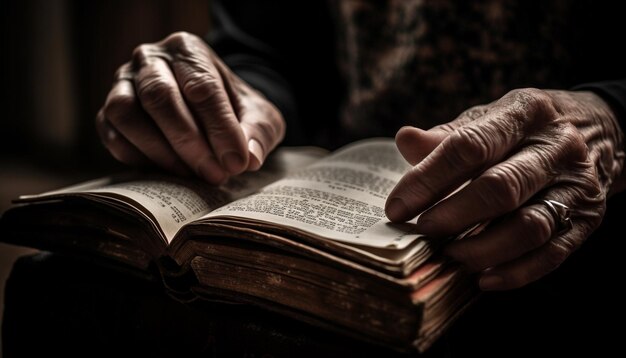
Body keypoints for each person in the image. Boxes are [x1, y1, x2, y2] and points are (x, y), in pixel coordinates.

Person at [96, 0, 626, 293]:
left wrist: (610, 117)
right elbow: (272, 52)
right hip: (335, 179)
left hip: (576, 209)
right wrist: (223, 99)